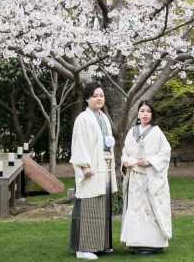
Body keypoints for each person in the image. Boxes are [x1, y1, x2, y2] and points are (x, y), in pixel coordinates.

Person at [69, 82, 117, 260]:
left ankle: (100, 244)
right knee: (89, 206)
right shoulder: (83, 118)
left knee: (102, 205)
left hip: (104, 164)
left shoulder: (103, 117)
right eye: (95, 95)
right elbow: (79, 143)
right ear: (87, 98)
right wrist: (84, 165)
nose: (99, 98)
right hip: (91, 166)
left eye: (101, 95)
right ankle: (83, 248)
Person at [120, 100, 172, 255]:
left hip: (149, 179)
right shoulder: (132, 132)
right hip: (134, 178)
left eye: (148, 111)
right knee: (136, 211)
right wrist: (125, 161)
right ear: (137, 113)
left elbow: (165, 153)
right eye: (142, 111)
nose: (145, 114)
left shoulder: (157, 132)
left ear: (152, 114)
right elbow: (125, 152)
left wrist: (150, 161)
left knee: (150, 210)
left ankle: (153, 244)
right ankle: (137, 243)